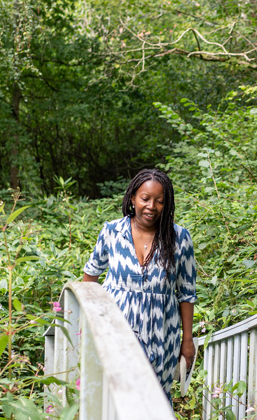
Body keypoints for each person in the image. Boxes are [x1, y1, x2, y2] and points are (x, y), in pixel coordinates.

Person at [82, 168, 197, 398]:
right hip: (115, 331)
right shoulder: (112, 231)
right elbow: (90, 277)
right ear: (133, 198)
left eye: (160, 201)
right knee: (114, 398)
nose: (151, 207)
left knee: (155, 401)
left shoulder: (179, 238)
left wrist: (187, 340)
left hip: (162, 334)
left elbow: (186, 294)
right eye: (145, 199)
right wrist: (89, 323)